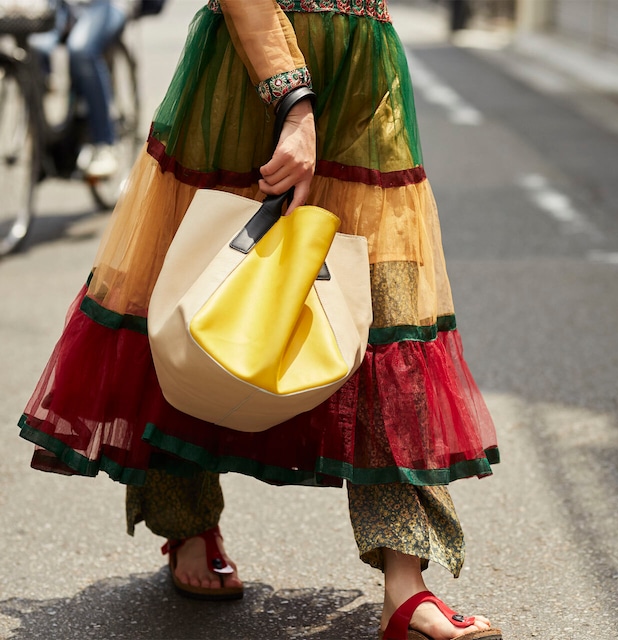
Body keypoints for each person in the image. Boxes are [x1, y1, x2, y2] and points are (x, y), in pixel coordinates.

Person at [18, 1, 502, 637]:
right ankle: (188, 525)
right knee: (200, 298)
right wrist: (293, 103)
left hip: (364, 71)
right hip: (249, 71)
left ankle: (404, 585)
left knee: (387, 314)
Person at [29, 0, 137, 179]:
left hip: (107, 6)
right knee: (33, 45)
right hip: (64, 6)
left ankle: (105, 143)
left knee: (81, 50)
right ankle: (44, 142)